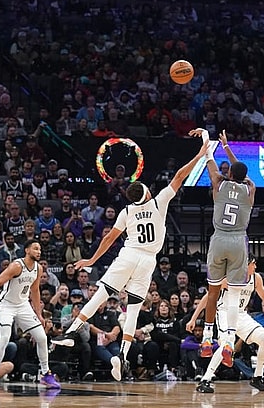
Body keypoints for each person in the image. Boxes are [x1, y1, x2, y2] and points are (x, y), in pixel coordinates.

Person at [63, 129, 211, 381]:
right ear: (147, 193)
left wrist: (91, 261)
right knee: (132, 309)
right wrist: (200, 153)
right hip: (148, 260)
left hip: (129, 254)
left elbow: (109, 239)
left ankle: (72, 331)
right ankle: (122, 354)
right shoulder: (158, 202)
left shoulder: (127, 211)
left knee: (103, 293)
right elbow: (179, 176)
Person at [187, 254, 264, 393]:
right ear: (245, 264)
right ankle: (205, 380)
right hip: (224, 312)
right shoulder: (228, 278)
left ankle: (258, 377)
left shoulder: (256, 278)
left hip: (241, 314)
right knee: (225, 346)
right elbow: (208, 297)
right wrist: (194, 318)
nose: (256, 266)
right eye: (254, 264)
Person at [199, 131, 255, 369]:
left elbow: (209, 160)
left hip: (219, 239)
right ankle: (230, 341)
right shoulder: (250, 189)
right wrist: (229, 147)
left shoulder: (219, 185)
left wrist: (207, 140)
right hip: (239, 241)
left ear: (229, 173)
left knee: (213, 292)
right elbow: (243, 173)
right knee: (233, 297)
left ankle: (206, 338)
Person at [0, 240, 60, 391]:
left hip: (23, 305)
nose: (39, 252)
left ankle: (45, 374)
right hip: (6, 305)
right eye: (35, 249)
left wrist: (38, 313)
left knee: (42, 337)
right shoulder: (16, 266)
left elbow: (35, 291)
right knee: (4, 338)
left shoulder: (38, 268)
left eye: (40, 250)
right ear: (26, 250)